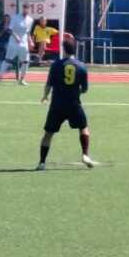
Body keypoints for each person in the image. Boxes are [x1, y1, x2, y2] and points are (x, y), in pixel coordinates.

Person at [38, 36, 95, 170]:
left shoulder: (56, 65)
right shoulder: (81, 66)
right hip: (74, 104)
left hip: (57, 105)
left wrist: (45, 96)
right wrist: (77, 92)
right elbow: (85, 89)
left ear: (63, 49)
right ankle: (85, 154)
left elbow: (48, 85)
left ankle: (41, 162)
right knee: (83, 128)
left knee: (48, 134)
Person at [0, 3, 34, 86]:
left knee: (25, 61)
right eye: (24, 7)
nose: (26, 9)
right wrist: (16, 37)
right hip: (13, 43)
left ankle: (22, 80)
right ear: (22, 8)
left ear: (30, 9)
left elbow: (27, 32)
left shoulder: (30, 20)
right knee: (7, 60)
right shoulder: (15, 17)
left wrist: (30, 41)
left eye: (27, 8)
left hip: (24, 44)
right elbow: (9, 29)